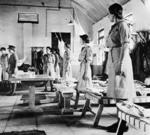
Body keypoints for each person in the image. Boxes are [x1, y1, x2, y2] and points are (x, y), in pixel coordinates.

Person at [105, 3, 136, 134]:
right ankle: (120, 122)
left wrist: (121, 64)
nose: (108, 16)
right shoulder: (116, 26)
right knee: (118, 94)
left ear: (113, 13)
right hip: (114, 59)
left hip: (121, 60)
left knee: (122, 93)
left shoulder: (123, 25)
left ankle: (123, 124)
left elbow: (125, 46)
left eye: (109, 14)